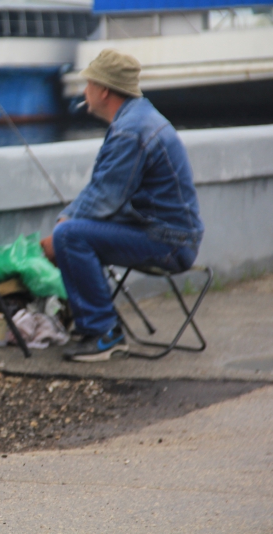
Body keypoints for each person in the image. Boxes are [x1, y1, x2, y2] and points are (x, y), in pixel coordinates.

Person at [40, 48, 204, 363]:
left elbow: (104, 195)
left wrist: (61, 227)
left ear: (103, 90)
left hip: (169, 241)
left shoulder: (131, 130)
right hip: (165, 232)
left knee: (70, 237)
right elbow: (107, 193)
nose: (83, 91)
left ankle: (104, 333)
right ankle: (93, 322)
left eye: (88, 84)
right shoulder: (138, 117)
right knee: (72, 232)